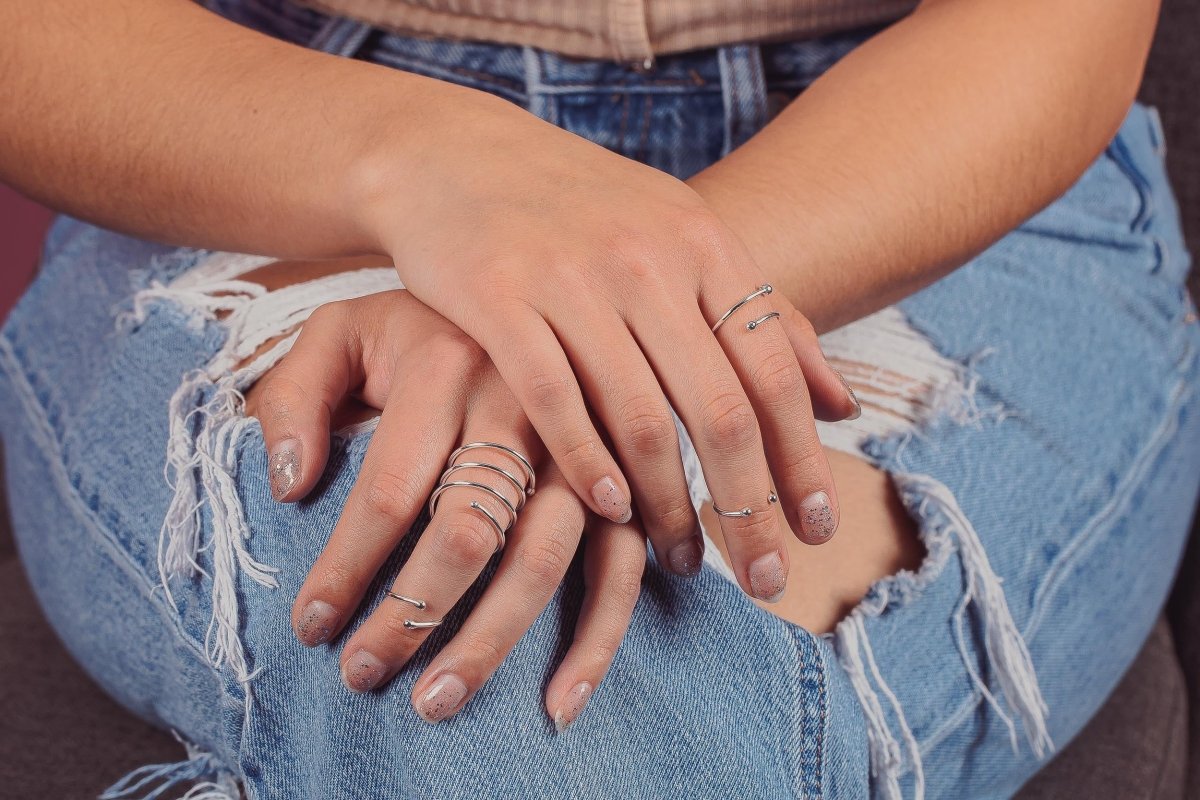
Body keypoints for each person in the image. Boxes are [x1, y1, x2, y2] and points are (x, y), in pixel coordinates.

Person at [1, 0, 1197, 797]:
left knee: (561, 700)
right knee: (463, 663)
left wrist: (611, 318)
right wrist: (429, 171)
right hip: (274, 131)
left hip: (910, 160)